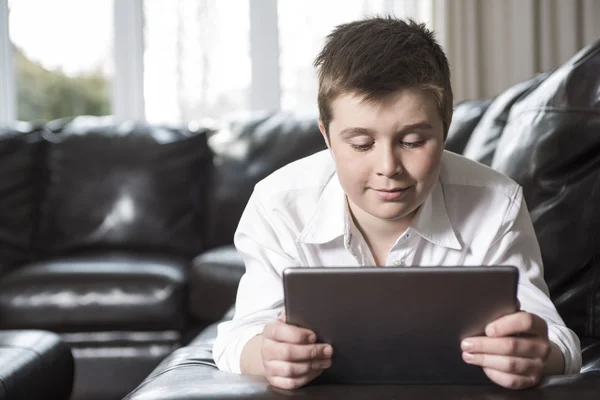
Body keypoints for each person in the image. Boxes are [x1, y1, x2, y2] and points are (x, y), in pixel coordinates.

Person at [212, 16, 581, 390]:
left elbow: (558, 340)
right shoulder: (278, 203)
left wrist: (537, 353)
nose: (388, 168)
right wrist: (267, 354)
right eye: (360, 145)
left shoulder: (496, 202)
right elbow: (235, 338)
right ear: (326, 137)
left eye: (412, 141)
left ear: (446, 127)